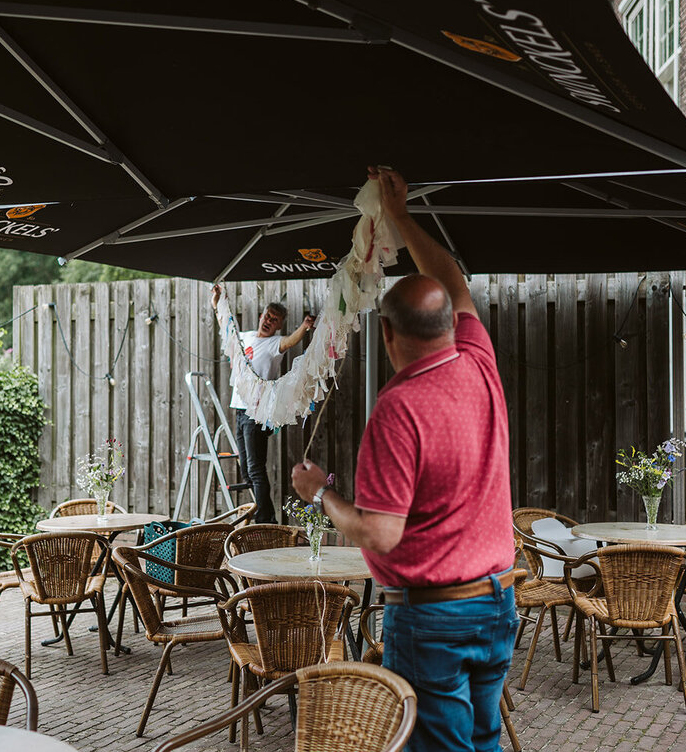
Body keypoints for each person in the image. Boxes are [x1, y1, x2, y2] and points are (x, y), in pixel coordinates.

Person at [291, 166, 517, 752]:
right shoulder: (477, 360)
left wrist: (320, 494)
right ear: (450, 325)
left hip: (434, 618)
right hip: (497, 603)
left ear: (388, 336)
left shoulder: (397, 409)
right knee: (484, 742)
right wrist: (401, 219)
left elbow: (381, 534)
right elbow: (451, 280)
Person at [212, 286, 314, 523]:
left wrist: (304, 327)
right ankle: (262, 513)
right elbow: (225, 329)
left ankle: (266, 520)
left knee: (256, 468)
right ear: (262, 316)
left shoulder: (275, 344)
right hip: (239, 409)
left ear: (278, 325)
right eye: (268, 316)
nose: (269, 321)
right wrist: (216, 302)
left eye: (275, 320)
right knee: (247, 470)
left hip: (256, 413)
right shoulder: (245, 337)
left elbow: (291, 341)